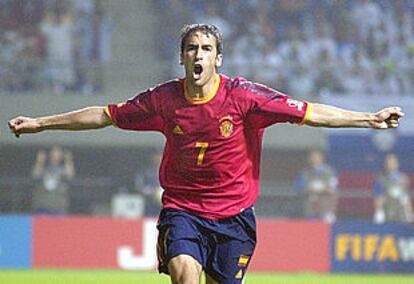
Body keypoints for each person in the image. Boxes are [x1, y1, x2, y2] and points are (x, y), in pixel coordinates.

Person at [8, 24, 404, 284]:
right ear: (182, 57)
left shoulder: (246, 98)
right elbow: (104, 115)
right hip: (183, 210)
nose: (198, 55)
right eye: (192, 48)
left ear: (218, 58)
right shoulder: (163, 100)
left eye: (206, 48)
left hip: (235, 217)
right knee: (184, 275)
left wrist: (369, 119)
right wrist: (42, 123)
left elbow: (311, 112)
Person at [295, 149, 338, 223]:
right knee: (310, 231)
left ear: (321, 158)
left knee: (327, 228)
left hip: (326, 208)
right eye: (312, 157)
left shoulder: (330, 172)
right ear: (309, 159)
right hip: (309, 209)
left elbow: (333, 189)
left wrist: (322, 188)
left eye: (316, 157)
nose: (314, 159)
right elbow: (299, 189)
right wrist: (310, 188)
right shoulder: (304, 173)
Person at [31, 145, 75, 214]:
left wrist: (68, 160)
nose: (55, 155)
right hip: (43, 205)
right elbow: (35, 175)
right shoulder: (44, 169)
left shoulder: (63, 170)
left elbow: (70, 176)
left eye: (58, 153)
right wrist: (39, 161)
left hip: (59, 206)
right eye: (53, 152)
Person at [373, 153, 413, 224]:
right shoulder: (380, 179)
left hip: (401, 216)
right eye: (389, 163)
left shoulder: (403, 179)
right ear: (386, 165)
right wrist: (379, 213)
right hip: (387, 215)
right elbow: (378, 198)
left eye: (394, 162)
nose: (392, 164)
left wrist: (409, 214)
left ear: (397, 163)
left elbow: (406, 198)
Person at [134, 151, 163, 216]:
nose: (158, 158)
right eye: (156, 156)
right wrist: (152, 191)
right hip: (149, 203)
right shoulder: (145, 171)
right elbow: (138, 186)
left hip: (165, 203)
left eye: (160, 156)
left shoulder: (169, 171)